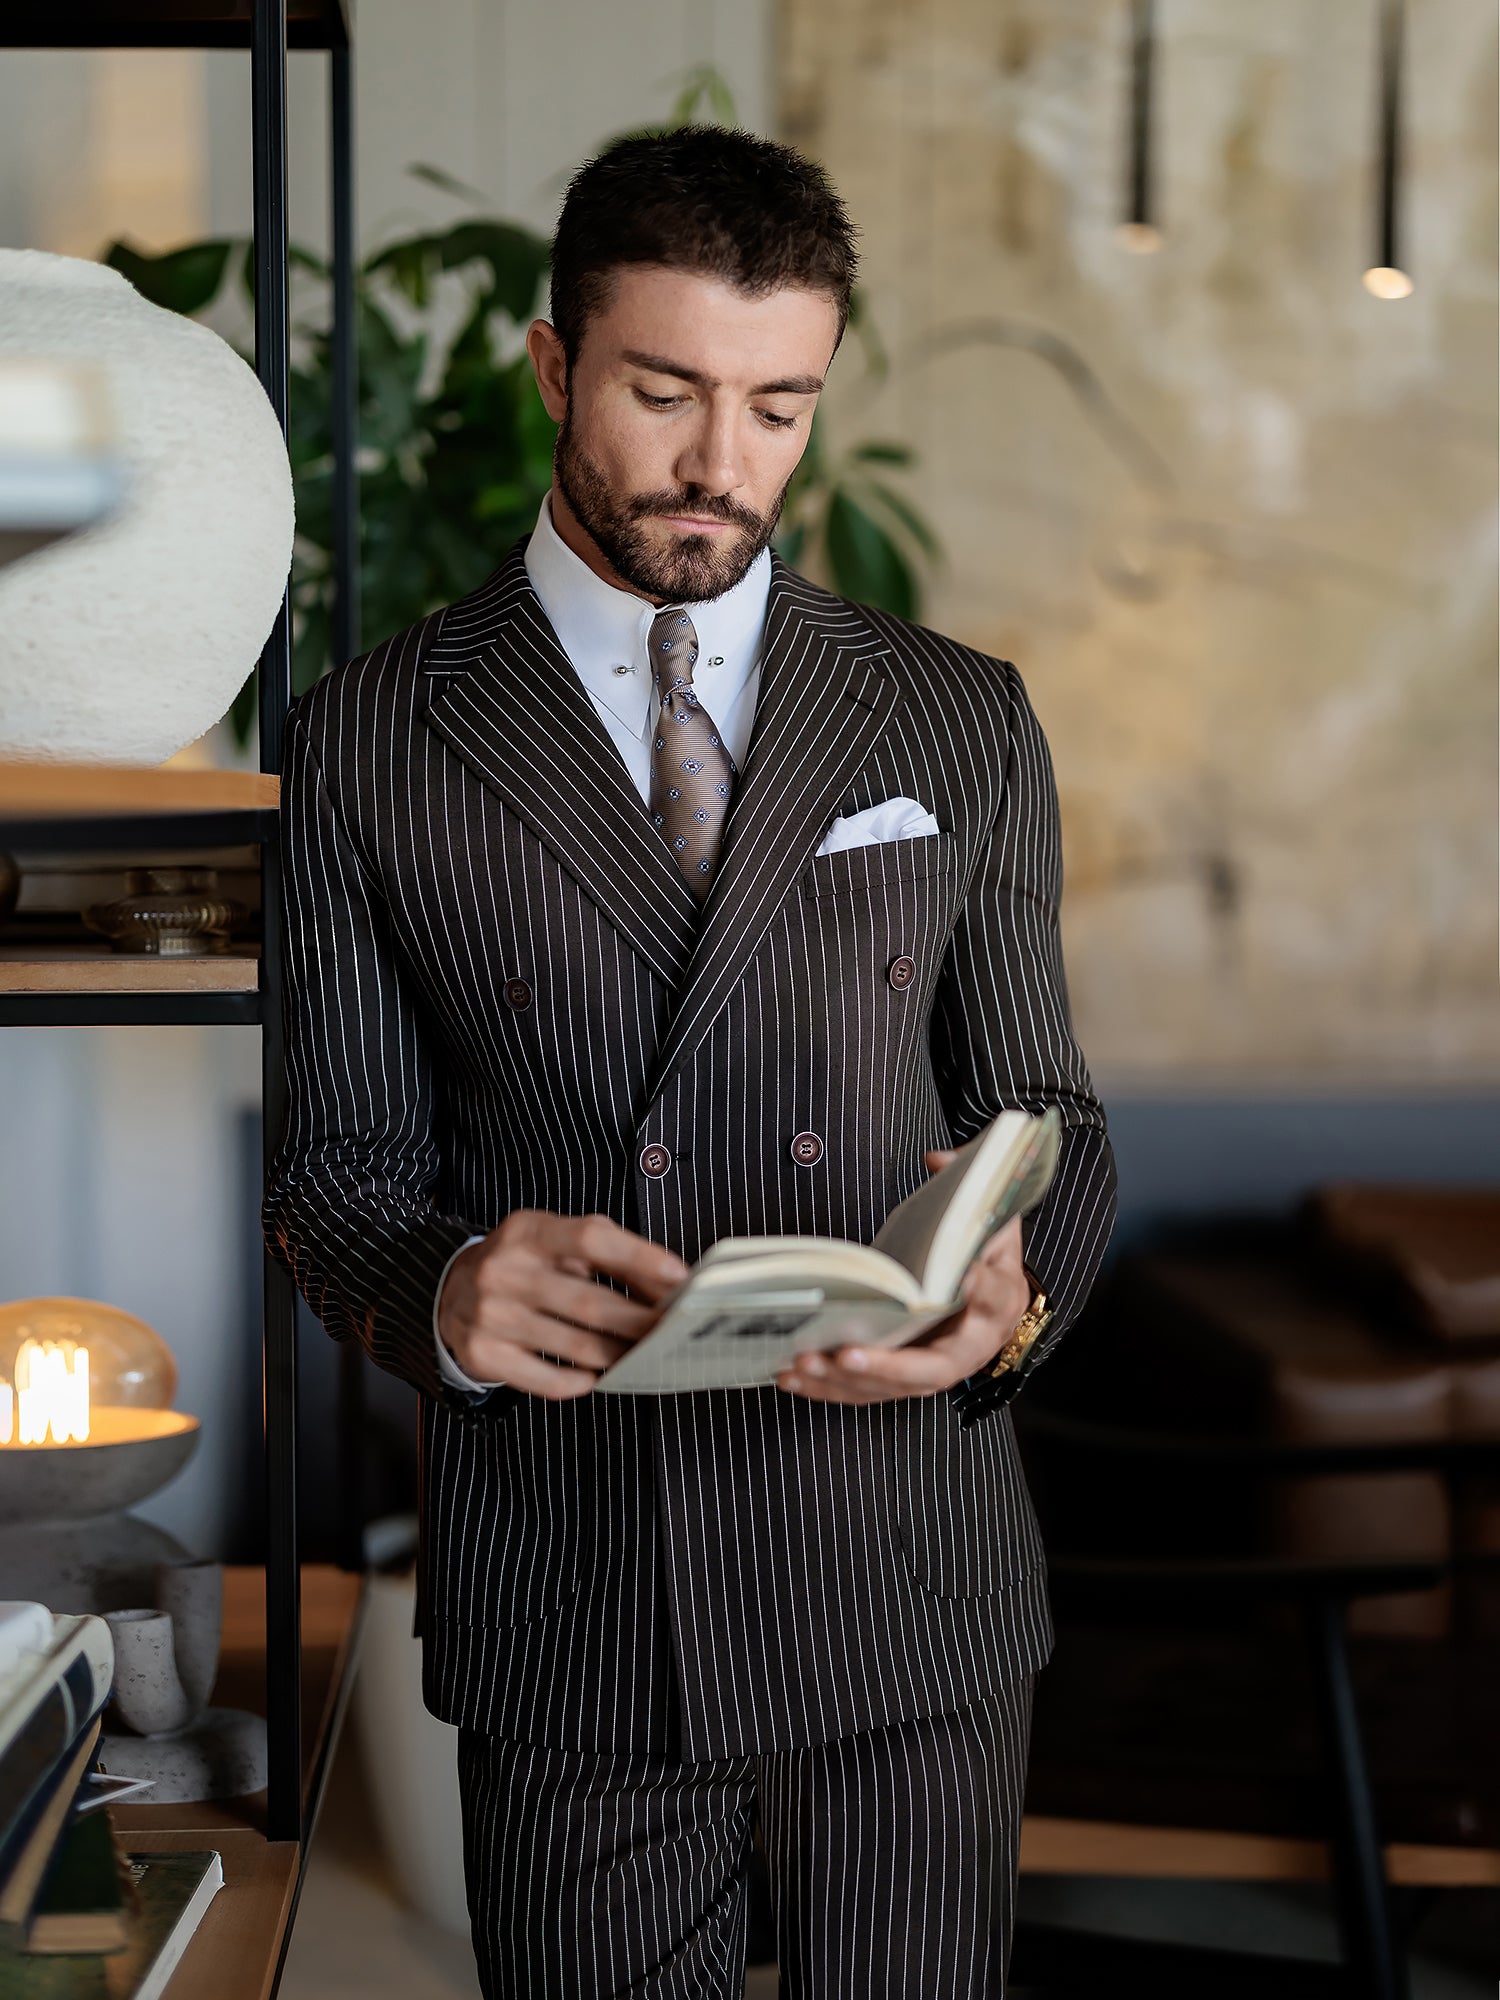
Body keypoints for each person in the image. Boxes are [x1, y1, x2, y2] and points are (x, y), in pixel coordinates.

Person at [264, 124, 1115, 2000]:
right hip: (580, 1586)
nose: (722, 464)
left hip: (901, 1575)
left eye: (780, 407)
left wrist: (1012, 1299)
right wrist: (446, 1289)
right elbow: (332, 1177)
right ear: (555, 365)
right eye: (664, 393)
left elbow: (1052, 1111)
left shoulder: (958, 716)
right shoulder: (368, 740)